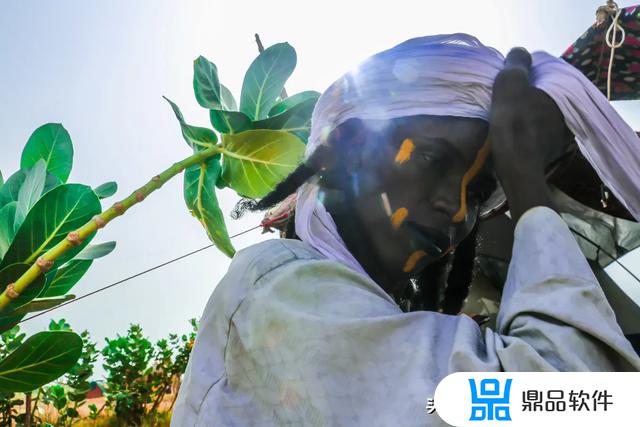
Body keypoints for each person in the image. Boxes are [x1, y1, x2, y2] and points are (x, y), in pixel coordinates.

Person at [171, 34, 640, 426]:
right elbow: (578, 399)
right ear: (351, 148)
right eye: (432, 159)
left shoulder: (356, 308)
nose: (456, 211)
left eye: (479, 193)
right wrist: (529, 193)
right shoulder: (281, 287)